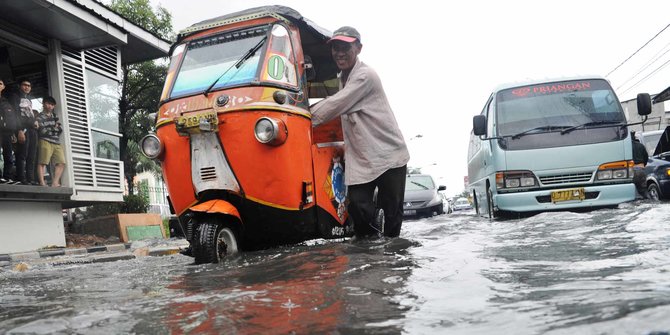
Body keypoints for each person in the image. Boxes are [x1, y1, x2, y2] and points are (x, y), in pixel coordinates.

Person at [310, 26, 410, 239]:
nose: (339, 52)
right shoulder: (341, 78)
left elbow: (336, 104)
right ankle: (370, 253)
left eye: (345, 47)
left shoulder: (365, 76)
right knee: (357, 205)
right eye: (335, 47)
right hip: (363, 158)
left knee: (392, 217)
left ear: (359, 48)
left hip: (388, 154)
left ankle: (393, 263)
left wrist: (301, 116)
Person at [12, 79, 39, 185]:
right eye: (25, 85)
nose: (27, 87)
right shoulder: (15, 97)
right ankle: (21, 178)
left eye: (29, 85)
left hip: (32, 130)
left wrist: (35, 121)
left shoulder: (29, 100)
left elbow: (29, 114)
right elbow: (15, 115)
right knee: (22, 155)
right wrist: (19, 130)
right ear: (20, 86)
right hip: (23, 129)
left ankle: (30, 179)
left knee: (32, 156)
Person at [36, 96, 65, 187]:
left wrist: (52, 129)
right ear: (43, 104)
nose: (49, 106)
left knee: (61, 162)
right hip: (45, 141)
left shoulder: (55, 116)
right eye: (48, 103)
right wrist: (54, 128)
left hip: (56, 142)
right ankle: (42, 182)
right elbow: (43, 131)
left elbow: (60, 129)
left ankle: (55, 183)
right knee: (43, 162)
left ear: (54, 106)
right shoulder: (39, 117)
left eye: (52, 105)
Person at [0, 78, 20, 184]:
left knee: (8, 155)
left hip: (7, 132)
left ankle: (7, 177)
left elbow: (10, 118)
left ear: (3, 87)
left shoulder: (6, 101)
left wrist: (13, 132)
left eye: (0, 84)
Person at [631, 131, 648, 197]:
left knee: (633, 191)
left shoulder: (625, 147)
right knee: (643, 190)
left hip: (630, 171)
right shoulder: (641, 145)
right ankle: (649, 201)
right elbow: (646, 157)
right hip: (641, 169)